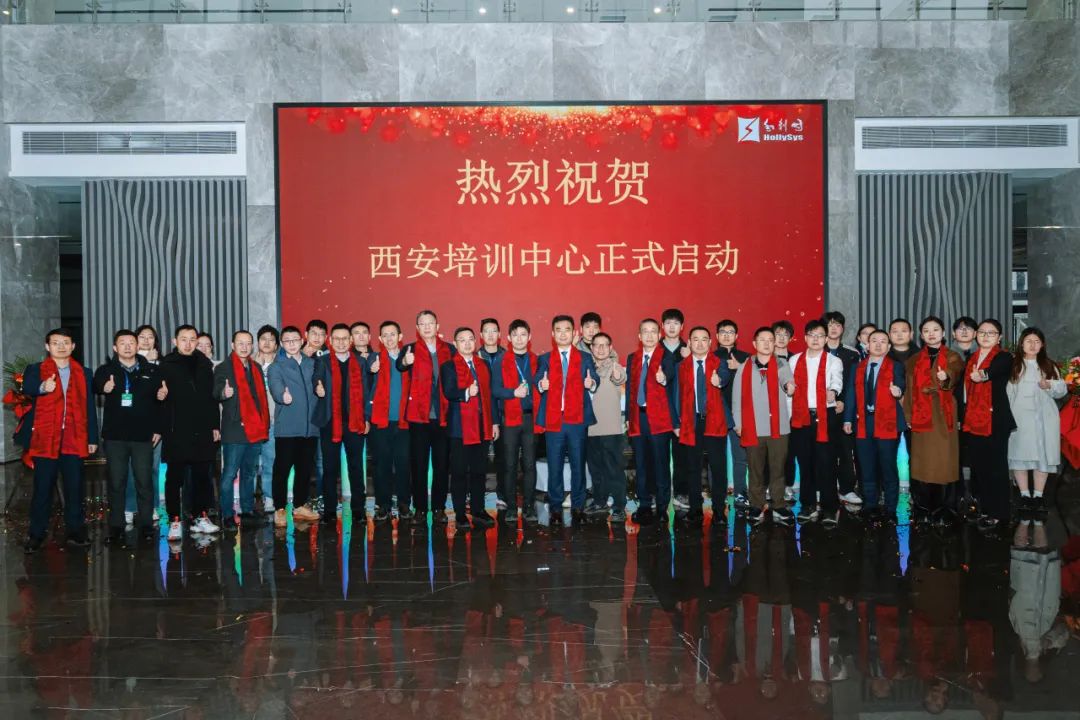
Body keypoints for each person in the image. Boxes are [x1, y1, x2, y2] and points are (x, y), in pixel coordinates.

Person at [19, 328, 100, 553]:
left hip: (74, 438)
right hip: (46, 438)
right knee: (43, 488)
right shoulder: (35, 369)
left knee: (75, 488)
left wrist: (92, 437)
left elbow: (89, 407)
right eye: (56, 343)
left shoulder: (84, 372)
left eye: (66, 342)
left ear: (73, 346)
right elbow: (26, 388)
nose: (61, 346)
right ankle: (36, 534)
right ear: (47, 346)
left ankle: (76, 531)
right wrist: (42, 387)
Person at [94, 329, 164, 545]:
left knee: (144, 481)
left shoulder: (151, 370)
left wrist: (158, 427)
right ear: (115, 347)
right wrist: (104, 387)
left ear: (137, 346)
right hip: (115, 437)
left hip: (143, 436)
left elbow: (160, 402)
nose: (127, 346)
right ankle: (116, 526)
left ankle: (146, 524)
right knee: (116, 482)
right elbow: (95, 386)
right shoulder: (106, 370)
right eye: (122, 343)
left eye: (131, 342)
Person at [158, 325, 220, 540]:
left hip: (202, 429)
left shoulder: (205, 364)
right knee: (174, 478)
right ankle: (175, 520)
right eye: (183, 339)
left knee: (203, 477)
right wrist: (160, 395)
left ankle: (200, 517)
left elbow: (211, 399)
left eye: (192, 339)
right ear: (175, 341)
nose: (188, 343)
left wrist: (215, 426)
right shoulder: (166, 365)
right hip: (177, 429)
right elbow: (158, 396)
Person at [536, 314, 599, 526]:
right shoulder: (545, 359)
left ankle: (578, 506)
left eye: (567, 330)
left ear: (574, 333)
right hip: (554, 420)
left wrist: (591, 383)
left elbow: (594, 378)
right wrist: (541, 385)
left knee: (578, 465)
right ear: (553, 334)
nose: (563, 334)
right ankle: (555, 508)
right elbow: (538, 379)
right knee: (554, 465)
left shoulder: (584, 357)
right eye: (558, 330)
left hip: (576, 420)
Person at [732, 327, 795, 525]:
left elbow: (787, 380)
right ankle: (756, 505)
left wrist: (789, 386)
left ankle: (779, 505)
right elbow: (737, 397)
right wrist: (738, 423)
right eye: (762, 340)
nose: (767, 343)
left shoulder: (782, 363)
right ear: (754, 343)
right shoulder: (745, 366)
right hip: (753, 427)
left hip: (778, 427)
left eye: (770, 340)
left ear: (774, 343)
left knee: (778, 469)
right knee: (755, 469)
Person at [397, 310, 456, 520]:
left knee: (442, 465)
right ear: (417, 328)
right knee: (419, 465)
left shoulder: (449, 349)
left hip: (443, 417)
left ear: (437, 326)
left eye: (430, 323)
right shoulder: (410, 349)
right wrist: (406, 362)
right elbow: (399, 365)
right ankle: (420, 508)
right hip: (418, 418)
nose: (427, 327)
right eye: (422, 324)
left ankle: (439, 508)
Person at [904, 316, 964, 524]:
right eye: (927, 330)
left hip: (942, 414)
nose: (931, 334)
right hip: (920, 413)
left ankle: (946, 508)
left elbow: (955, 371)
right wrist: (908, 415)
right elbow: (909, 390)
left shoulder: (952, 356)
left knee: (945, 461)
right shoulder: (913, 360)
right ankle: (922, 506)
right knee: (921, 462)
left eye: (936, 329)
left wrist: (945, 376)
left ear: (943, 333)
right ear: (921, 335)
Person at [842, 330, 906, 521]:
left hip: (887, 422)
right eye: (874, 341)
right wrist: (847, 419)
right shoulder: (857, 367)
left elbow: (901, 385)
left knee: (888, 467)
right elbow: (851, 394)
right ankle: (870, 505)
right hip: (864, 422)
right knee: (866, 466)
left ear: (889, 346)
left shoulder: (896, 366)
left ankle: (890, 509)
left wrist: (898, 391)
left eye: (883, 341)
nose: (878, 344)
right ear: (867, 345)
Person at [313, 323, 371, 526]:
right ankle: (330, 511)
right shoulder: (322, 361)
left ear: (351, 341)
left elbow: (366, 392)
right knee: (330, 469)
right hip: (331, 423)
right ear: (330, 341)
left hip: (354, 423)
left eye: (344, 338)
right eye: (336, 339)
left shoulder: (360, 362)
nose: (340, 342)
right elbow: (316, 379)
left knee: (356, 468)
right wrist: (318, 388)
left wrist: (366, 418)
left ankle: (358, 510)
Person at [441, 327, 498, 530]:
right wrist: (467, 392)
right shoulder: (448, 366)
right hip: (460, 428)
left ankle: (478, 509)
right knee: (458, 472)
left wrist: (494, 422)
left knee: (479, 471)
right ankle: (459, 514)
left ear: (475, 342)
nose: (467, 343)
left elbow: (490, 396)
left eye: (470, 339)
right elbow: (449, 391)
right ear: (455, 344)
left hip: (482, 426)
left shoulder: (483, 365)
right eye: (462, 340)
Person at [788, 320, 844, 525]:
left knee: (826, 463)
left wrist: (833, 391)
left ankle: (830, 508)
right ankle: (808, 504)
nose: (816, 339)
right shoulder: (794, 360)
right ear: (805, 338)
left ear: (826, 339)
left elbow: (837, 380)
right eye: (812, 335)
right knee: (805, 463)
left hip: (825, 416)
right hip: (801, 417)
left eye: (820, 336)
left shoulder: (833, 361)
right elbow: (789, 390)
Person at [214, 330, 271, 530]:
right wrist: (224, 392)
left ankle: (247, 511)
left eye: (248, 343)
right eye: (240, 343)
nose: (245, 347)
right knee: (229, 474)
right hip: (234, 430)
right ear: (232, 345)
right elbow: (216, 392)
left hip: (255, 429)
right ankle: (227, 514)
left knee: (249, 473)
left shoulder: (255, 367)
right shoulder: (223, 367)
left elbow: (261, 398)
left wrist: (264, 423)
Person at [961, 319, 1016, 528]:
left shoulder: (1004, 357)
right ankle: (984, 508)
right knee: (979, 467)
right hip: (974, 419)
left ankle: (1000, 513)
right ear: (976, 335)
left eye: (991, 333)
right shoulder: (971, 357)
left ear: (999, 337)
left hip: (995, 420)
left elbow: (994, 371)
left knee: (997, 468)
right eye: (982, 332)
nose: (985, 336)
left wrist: (982, 375)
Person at [1007, 327, 1067, 515]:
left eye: (1037, 341)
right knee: (1020, 454)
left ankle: (1039, 496)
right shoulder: (1014, 365)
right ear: (1021, 344)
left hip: (1044, 418)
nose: (1032, 345)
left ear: (1042, 345)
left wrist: (1050, 385)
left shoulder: (1049, 365)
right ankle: (1024, 495)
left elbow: (1062, 390)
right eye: (1028, 341)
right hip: (1019, 417)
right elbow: (1007, 393)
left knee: (1043, 456)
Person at [626, 318, 679, 526]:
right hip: (638, 417)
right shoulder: (633, 358)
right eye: (645, 332)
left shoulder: (667, 357)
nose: (649, 335)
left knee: (660, 464)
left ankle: (663, 506)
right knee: (640, 464)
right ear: (639, 336)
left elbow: (670, 374)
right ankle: (644, 504)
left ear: (659, 335)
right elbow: (630, 390)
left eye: (653, 331)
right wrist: (629, 417)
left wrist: (662, 378)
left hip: (659, 419)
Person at [266, 326, 321, 527]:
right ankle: (279, 508)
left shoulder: (312, 364)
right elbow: (275, 387)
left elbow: (319, 385)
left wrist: (321, 389)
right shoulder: (276, 366)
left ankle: (299, 505)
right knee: (282, 469)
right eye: (287, 341)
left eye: (295, 340)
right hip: (287, 428)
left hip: (310, 428)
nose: (291, 344)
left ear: (301, 340)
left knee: (304, 469)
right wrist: (283, 395)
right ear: (282, 344)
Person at [676, 326, 729, 526]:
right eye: (695, 339)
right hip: (691, 421)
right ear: (689, 343)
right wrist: (676, 422)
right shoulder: (682, 366)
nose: (700, 343)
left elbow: (724, 376)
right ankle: (695, 509)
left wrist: (719, 380)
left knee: (718, 468)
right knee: (692, 468)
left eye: (704, 339)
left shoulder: (718, 363)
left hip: (715, 420)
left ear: (710, 343)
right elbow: (676, 395)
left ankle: (719, 510)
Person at [492, 319, 542, 524]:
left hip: (531, 419)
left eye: (523, 335)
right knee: (510, 465)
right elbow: (495, 390)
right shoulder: (500, 361)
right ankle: (511, 507)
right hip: (510, 420)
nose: (519, 339)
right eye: (515, 335)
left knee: (529, 465)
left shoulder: (537, 360)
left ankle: (529, 507)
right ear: (509, 338)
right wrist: (513, 393)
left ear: (529, 337)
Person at [367, 321, 412, 521]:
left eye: (393, 334)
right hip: (380, 422)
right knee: (381, 465)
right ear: (380, 339)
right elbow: (367, 372)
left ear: (400, 337)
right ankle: (383, 505)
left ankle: (404, 504)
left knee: (403, 464)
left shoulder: (408, 358)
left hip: (404, 422)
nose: (389, 338)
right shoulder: (374, 358)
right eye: (385, 335)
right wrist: (371, 369)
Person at [583, 332, 628, 523]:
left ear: (610, 348)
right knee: (596, 470)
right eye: (597, 345)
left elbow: (620, 378)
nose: (601, 349)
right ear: (591, 348)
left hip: (611, 430)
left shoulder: (615, 367)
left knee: (614, 470)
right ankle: (600, 501)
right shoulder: (586, 368)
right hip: (590, 429)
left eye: (605, 345)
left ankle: (619, 506)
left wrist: (618, 376)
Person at [823, 310, 862, 506]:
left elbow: (854, 384)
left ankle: (846, 489)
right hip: (821, 410)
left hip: (844, 410)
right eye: (830, 324)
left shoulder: (852, 354)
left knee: (846, 451)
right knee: (823, 451)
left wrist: (843, 402)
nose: (833, 328)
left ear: (843, 328)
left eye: (837, 325)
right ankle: (824, 488)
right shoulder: (815, 351)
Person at [715, 319, 751, 511]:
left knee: (740, 457)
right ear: (717, 336)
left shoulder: (747, 358)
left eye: (731, 332)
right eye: (723, 332)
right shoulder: (710, 357)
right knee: (716, 458)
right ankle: (717, 495)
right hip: (716, 415)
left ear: (737, 336)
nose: (727, 335)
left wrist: (740, 368)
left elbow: (755, 384)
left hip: (740, 414)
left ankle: (740, 493)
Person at [477, 317, 508, 512]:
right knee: (478, 459)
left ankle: (502, 496)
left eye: (493, 331)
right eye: (486, 331)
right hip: (480, 415)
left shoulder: (507, 357)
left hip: (503, 414)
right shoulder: (474, 357)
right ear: (481, 335)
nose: (490, 334)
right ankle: (475, 496)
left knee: (502, 458)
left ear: (499, 334)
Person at [254, 324, 279, 514]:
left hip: (273, 422)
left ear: (277, 344)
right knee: (251, 464)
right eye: (263, 339)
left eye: (271, 339)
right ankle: (247, 500)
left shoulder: (281, 366)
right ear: (258, 342)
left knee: (270, 461)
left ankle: (269, 497)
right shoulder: (248, 364)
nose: (267, 342)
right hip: (253, 422)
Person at [772, 320, 797, 501]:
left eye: (785, 335)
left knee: (789, 450)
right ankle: (769, 485)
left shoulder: (796, 359)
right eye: (778, 334)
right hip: (769, 410)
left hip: (792, 410)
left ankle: (788, 485)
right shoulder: (763, 358)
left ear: (791, 338)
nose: (781, 338)